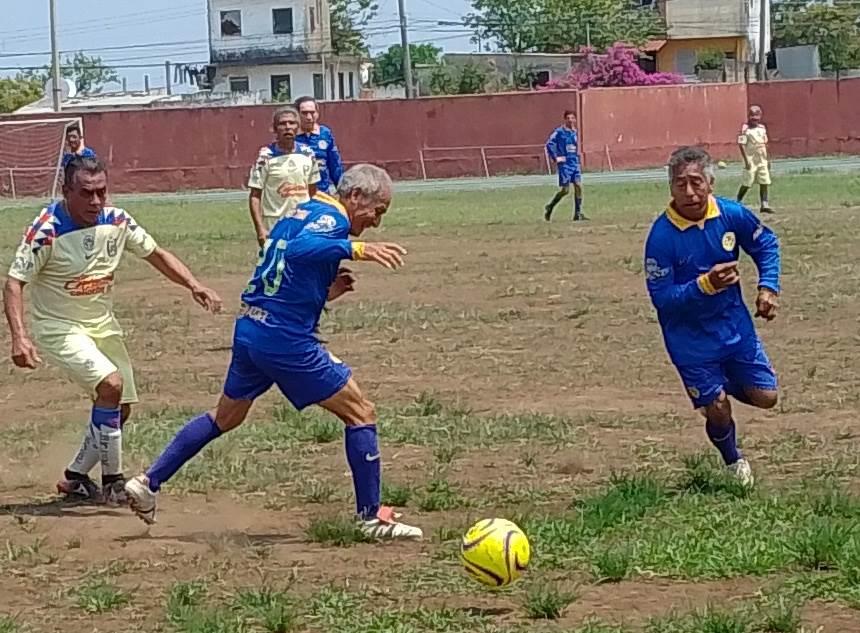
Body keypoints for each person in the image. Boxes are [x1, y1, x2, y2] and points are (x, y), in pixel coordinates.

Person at [124, 164, 423, 540]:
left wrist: (325, 291)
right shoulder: (332, 220)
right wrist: (356, 248)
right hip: (285, 340)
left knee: (225, 417)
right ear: (356, 197)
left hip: (252, 327)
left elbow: (280, 265)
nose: (376, 223)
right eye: (377, 211)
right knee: (361, 412)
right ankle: (369, 517)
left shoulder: (300, 212)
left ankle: (148, 482)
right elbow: (300, 251)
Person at [3, 157, 222, 504]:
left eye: (102, 192)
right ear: (66, 192)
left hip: (103, 326)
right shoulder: (47, 229)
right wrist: (20, 336)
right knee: (111, 385)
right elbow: (14, 282)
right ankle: (114, 483)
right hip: (59, 327)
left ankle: (75, 477)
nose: (95, 201)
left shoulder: (117, 220)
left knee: (120, 409)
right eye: (86, 193)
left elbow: (156, 254)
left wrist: (194, 285)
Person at [644, 146, 781, 487]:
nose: (689, 192)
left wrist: (768, 287)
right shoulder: (661, 238)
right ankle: (733, 460)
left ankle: (716, 389)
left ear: (711, 182)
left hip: (735, 328)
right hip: (689, 340)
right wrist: (704, 285)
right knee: (718, 409)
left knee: (767, 398)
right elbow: (662, 299)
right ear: (670, 187)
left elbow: (766, 244)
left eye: (696, 182)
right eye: (680, 185)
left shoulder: (731, 215)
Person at [249, 106, 320, 246]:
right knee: (275, 265)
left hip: (301, 221)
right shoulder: (265, 157)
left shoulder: (308, 154)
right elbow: (255, 195)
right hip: (275, 223)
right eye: (282, 124)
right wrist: (260, 229)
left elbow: (313, 192)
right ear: (275, 129)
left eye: (292, 123)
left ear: (298, 127)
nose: (288, 127)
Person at [295, 96, 344, 194]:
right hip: (297, 194)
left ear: (317, 113)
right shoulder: (291, 135)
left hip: (322, 193)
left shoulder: (325, 133)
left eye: (312, 112)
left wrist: (342, 190)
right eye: (304, 113)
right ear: (296, 114)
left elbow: (334, 165)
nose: (309, 117)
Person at [544, 110, 586, 222]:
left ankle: (577, 213)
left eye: (572, 118)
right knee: (565, 190)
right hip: (565, 164)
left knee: (578, 185)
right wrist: (556, 157)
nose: (570, 120)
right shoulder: (559, 132)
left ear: (575, 120)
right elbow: (549, 143)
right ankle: (550, 206)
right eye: (568, 118)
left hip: (574, 162)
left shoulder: (575, 132)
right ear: (565, 119)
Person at [736, 105, 773, 213]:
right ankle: (738, 201)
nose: (754, 119)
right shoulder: (745, 129)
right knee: (747, 182)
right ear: (748, 116)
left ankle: (764, 204)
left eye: (757, 116)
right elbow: (741, 144)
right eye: (752, 116)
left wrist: (768, 159)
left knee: (764, 181)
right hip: (751, 160)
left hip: (762, 159)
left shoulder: (762, 128)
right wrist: (747, 160)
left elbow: (765, 144)